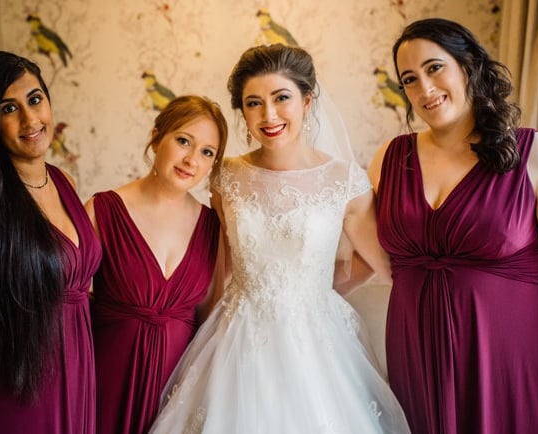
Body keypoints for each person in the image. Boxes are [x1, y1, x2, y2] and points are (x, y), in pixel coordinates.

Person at [149, 44, 410, 433]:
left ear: (306, 101)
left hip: (318, 341)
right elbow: (221, 267)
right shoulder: (226, 176)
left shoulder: (344, 180)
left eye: (281, 98)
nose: (268, 115)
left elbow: (380, 262)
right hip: (237, 336)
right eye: (253, 103)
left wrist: (315, 291)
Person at [368, 18, 538, 434]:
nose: (424, 88)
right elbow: (360, 253)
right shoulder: (388, 160)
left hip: (514, 365)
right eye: (409, 78)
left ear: (469, 65)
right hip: (416, 364)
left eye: (434, 68)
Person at [0, 51, 101, 434]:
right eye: (9, 108)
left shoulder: (64, 183)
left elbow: (71, 287)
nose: (30, 119)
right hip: (21, 394)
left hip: (79, 380)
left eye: (35, 99)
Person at [86, 95, 228, 434]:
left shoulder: (213, 227)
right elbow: (62, 298)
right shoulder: (103, 210)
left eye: (207, 152)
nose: (192, 160)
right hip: (105, 382)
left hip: (177, 394)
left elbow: (210, 316)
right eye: (183, 141)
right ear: (157, 136)